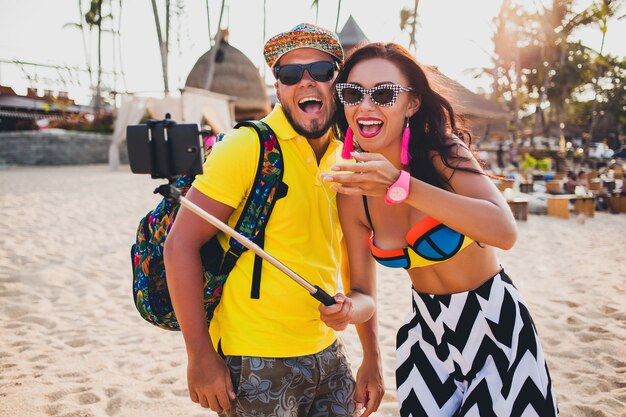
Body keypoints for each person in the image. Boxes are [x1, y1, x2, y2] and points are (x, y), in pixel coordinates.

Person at [323, 42, 558, 416]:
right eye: (353, 93)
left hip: (495, 326)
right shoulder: (353, 195)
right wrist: (350, 313)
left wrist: (400, 186)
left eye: (384, 94)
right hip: (427, 335)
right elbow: (364, 293)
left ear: (411, 104)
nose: (366, 106)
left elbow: (504, 231)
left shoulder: (442, 154)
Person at [164, 23, 383, 417]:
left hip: (329, 355)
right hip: (256, 360)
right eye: (289, 74)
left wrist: (372, 357)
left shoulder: (347, 158)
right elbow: (180, 244)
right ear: (278, 86)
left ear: (337, 81)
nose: (306, 83)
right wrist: (198, 356)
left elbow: (357, 272)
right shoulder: (246, 146)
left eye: (319, 71)